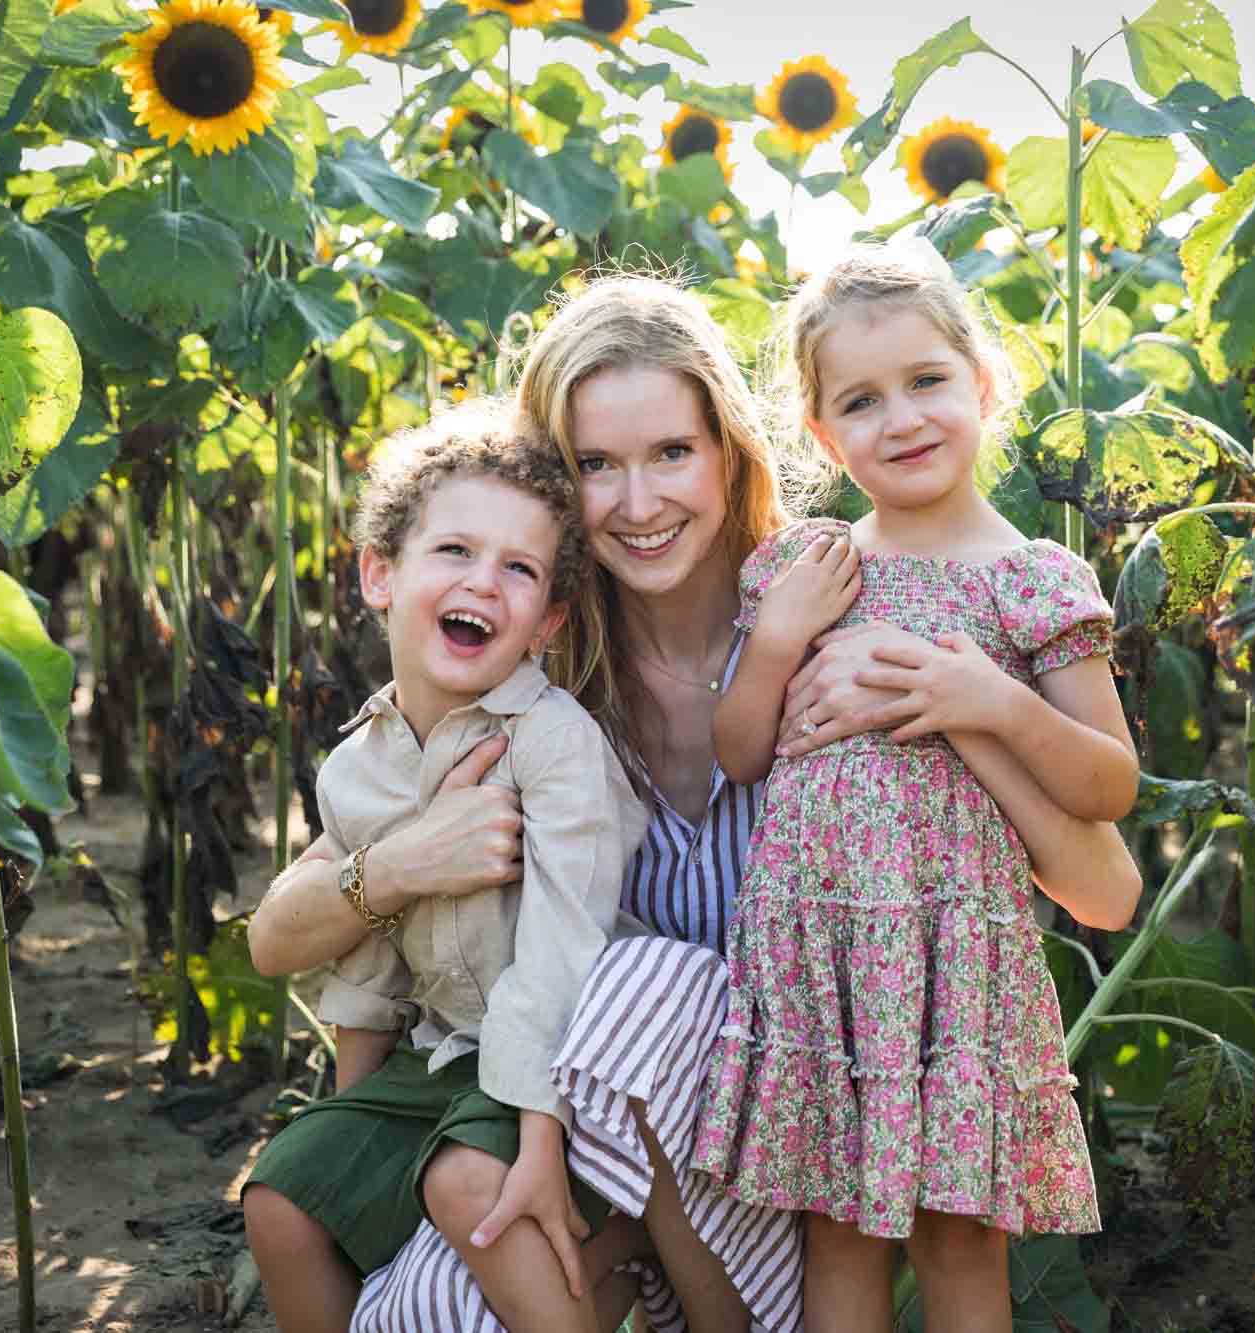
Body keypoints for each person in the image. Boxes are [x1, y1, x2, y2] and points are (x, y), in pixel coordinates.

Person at [250, 272, 1138, 1333]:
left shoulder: (834, 611)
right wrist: (398, 861)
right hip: (588, 1149)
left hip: (810, 1133)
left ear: (731, 448)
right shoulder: (528, 680)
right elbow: (282, 930)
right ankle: (625, 1275)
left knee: (640, 985)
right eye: (593, 467)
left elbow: (1104, 885)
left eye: (671, 452)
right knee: (424, 1315)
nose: (638, 503)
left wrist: (959, 712)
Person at [690, 240, 1144, 1332]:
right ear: (821, 434)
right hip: (820, 952)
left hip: (956, 956)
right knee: (835, 1226)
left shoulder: (1030, 578)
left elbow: (1108, 781)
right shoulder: (811, 567)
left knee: (959, 1232)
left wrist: (985, 698)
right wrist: (775, 642)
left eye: (926, 381)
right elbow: (740, 751)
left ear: (982, 384)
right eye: (860, 400)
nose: (899, 419)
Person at [242, 398, 656, 1333]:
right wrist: (352, 1135)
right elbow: (365, 961)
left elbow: (560, 956)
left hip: (572, 1056)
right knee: (281, 1199)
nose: (485, 582)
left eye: (519, 569)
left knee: (470, 1182)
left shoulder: (551, 744)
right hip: (442, 1063)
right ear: (379, 573)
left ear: (546, 621)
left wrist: (540, 1136)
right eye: (455, 553)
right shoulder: (356, 768)